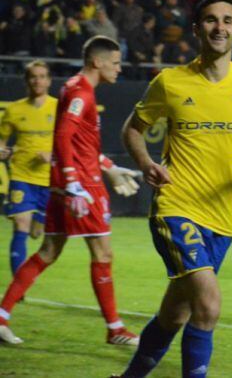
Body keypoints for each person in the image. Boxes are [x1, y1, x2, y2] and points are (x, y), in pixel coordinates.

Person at [116, 0, 232, 378]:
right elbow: (132, 129)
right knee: (208, 303)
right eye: (211, 20)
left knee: (177, 311)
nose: (219, 27)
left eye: (228, 20)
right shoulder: (171, 82)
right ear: (196, 29)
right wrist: (145, 163)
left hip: (222, 218)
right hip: (175, 207)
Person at [0, 37, 141, 346]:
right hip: (81, 186)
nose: (119, 68)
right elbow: (63, 134)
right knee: (102, 253)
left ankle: (1, 317)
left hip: (71, 181)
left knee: (49, 251)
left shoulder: (74, 87)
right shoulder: (82, 92)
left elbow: (82, 144)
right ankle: (115, 329)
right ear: (97, 62)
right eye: (115, 62)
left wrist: (108, 166)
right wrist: (73, 181)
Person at [0, 61, 56, 275]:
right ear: (27, 81)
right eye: (33, 76)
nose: (38, 80)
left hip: (49, 179)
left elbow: (68, 141)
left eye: (42, 76)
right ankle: (18, 285)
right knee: (21, 226)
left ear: (49, 81)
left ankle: (37, 225)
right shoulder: (14, 110)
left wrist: (53, 156)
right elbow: (2, 141)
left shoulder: (58, 107)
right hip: (21, 175)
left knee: (36, 232)